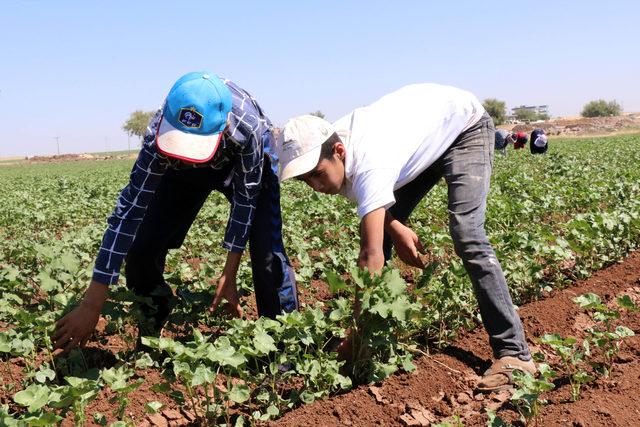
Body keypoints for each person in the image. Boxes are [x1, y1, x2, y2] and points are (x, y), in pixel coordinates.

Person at [278, 83, 534, 392]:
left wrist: (353, 338)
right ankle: (377, 337)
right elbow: (370, 201)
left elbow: (370, 255)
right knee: (383, 232)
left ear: (339, 152)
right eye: (306, 181)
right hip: (421, 140)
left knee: (467, 232)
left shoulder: (370, 159)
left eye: (317, 174)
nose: (315, 186)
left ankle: (514, 354)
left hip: (464, 127)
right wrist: (396, 228)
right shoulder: (338, 154)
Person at [53, 71, 298, 355]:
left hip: (239, 161)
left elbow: (245, 202)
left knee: (267, 252)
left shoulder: (247, 128)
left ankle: (283, 346)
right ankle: (154, 310)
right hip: (182, 175)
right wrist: (91, 304)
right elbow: (128, 213)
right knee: (142, 246)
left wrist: (228, 275)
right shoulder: (158, 135)